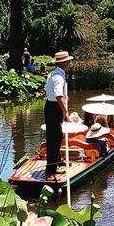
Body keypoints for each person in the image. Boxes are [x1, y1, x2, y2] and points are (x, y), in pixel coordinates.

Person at [44, 51, 73, 179]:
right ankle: (51, 169)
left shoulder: (55, 74)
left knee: (57, 135)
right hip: (53, 107)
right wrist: (65, 111)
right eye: (68, 61)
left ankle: (57, 160)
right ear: (63, 63)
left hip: (52, 106)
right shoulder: (58, 77)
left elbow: (47, 90)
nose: (69, 63)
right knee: (54, 138)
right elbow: (58, 96)